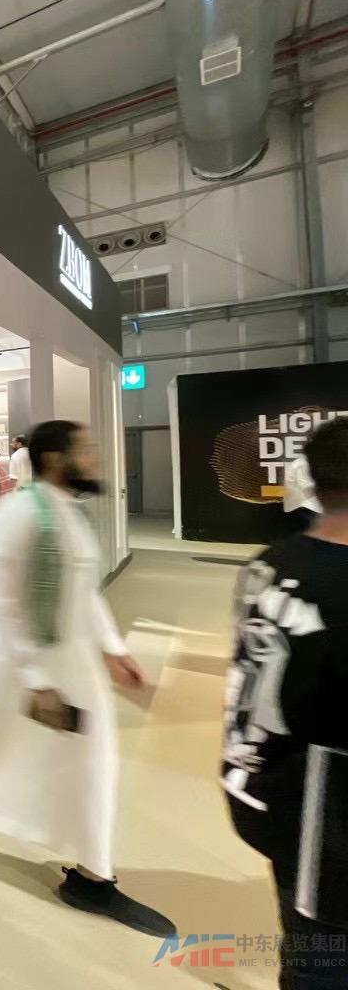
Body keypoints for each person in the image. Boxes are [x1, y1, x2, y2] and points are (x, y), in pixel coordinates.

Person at [0, 421, 174, 936]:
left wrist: (112, 648)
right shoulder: (14, 518)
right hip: (5, 669)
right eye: (84, 450)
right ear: (55, 459)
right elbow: (6, 606)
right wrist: (38, 680)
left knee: (94, 762)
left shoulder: (69, 514)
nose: (94, 458)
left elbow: (82, 592)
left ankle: (93, 878)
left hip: (70, 666)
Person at [224, 417, 348, 987]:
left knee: (307, 945)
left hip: (266, 785)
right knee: (322, 963)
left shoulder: (268, 563)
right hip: (327, 820)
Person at [283, 453, 322, 534]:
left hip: (296, 503)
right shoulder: (301, 463)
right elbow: (305, 484)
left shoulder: (296, 463)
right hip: (305, 503)